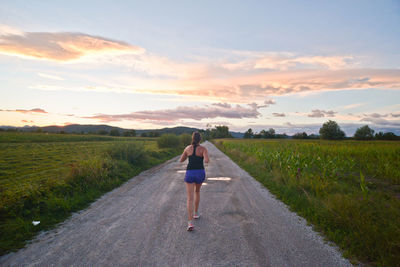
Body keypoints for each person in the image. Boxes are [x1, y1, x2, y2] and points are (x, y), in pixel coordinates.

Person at [179, 131, 209, 231]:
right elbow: (207, 161)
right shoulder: (203, 149)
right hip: (200, 172)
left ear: (192, 139)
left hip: (190, 173)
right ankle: (196, 213)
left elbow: (181, 160)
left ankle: (190, 222)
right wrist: (204, 156)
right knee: (197, 192)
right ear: (200, 139)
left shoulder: (187, 148)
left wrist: (187, 154)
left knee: (189, 198)